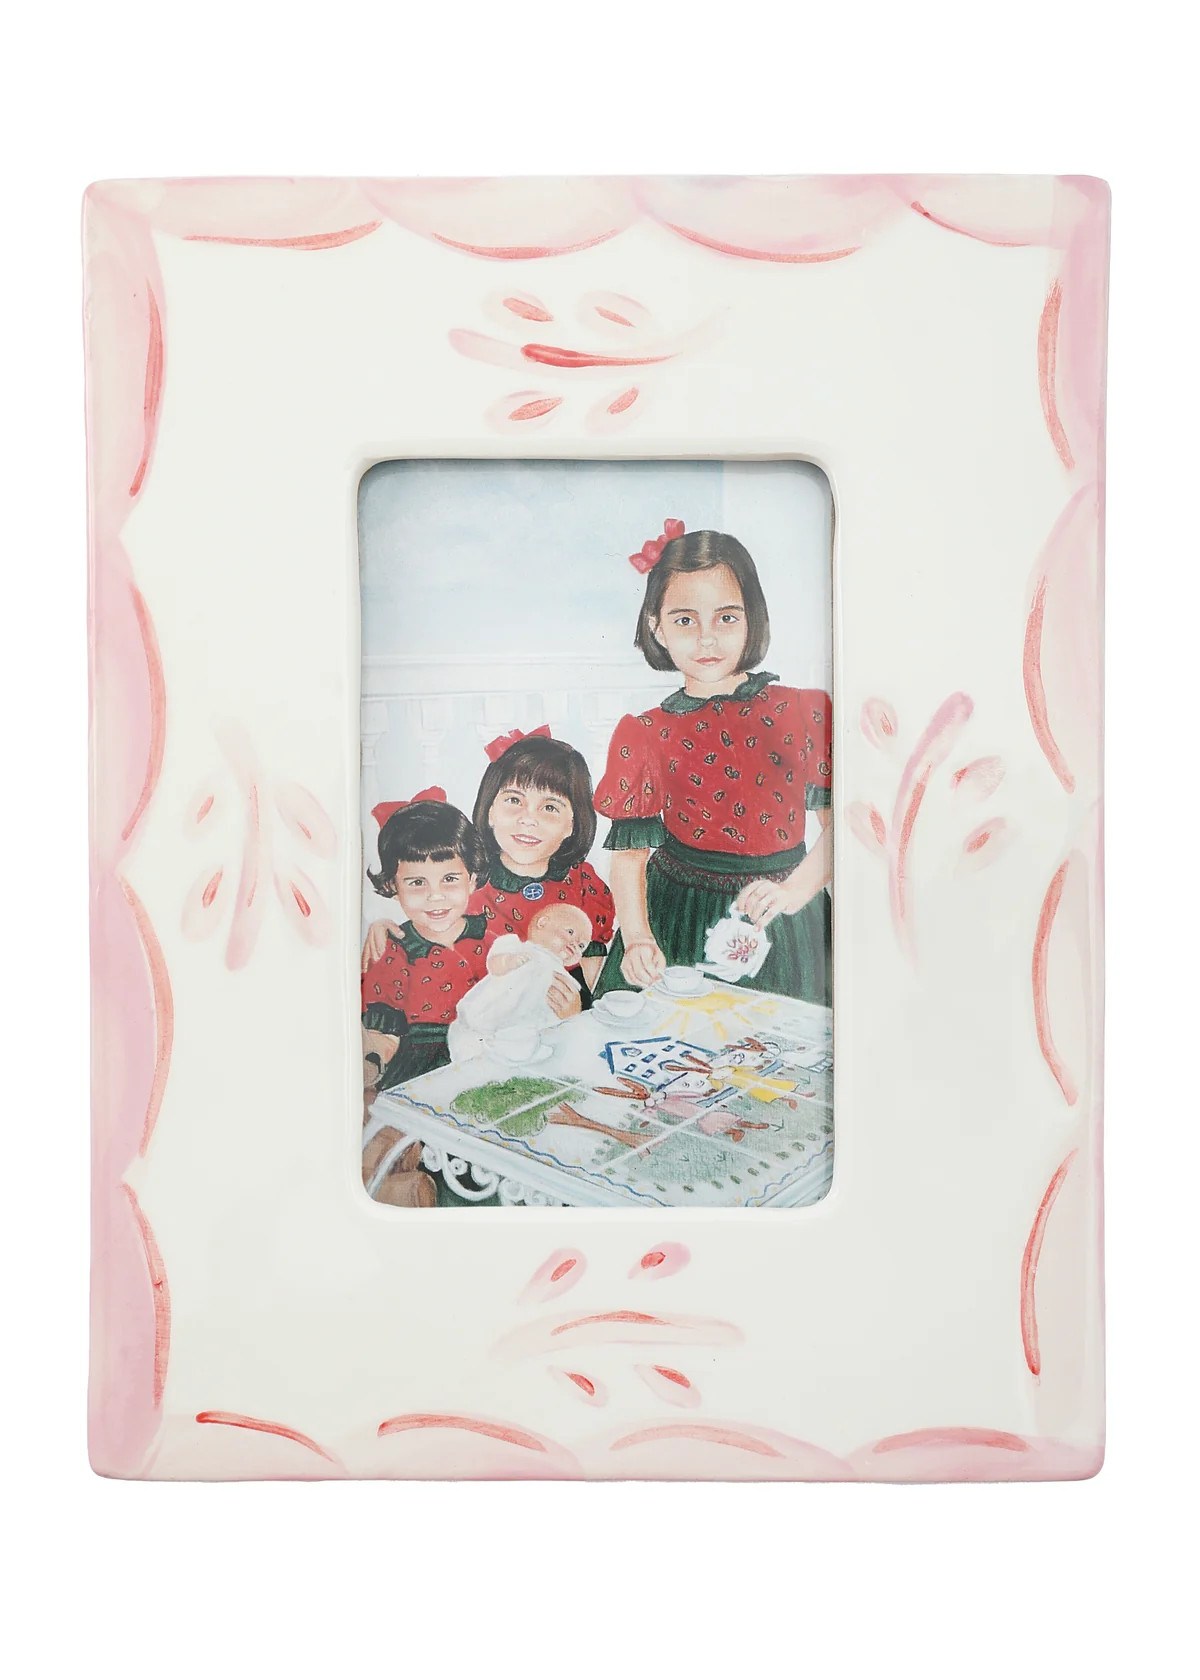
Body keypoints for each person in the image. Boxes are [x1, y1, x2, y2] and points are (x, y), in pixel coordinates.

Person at [592, 524, 832, 1005]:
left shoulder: (804, 711)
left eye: (726, 618)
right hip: (678, 914)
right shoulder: (645, 731)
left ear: (752, 620)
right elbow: (630, 857)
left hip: (782, 911)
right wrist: (637, 937)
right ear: (657, 627)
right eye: (685, 620)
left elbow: (837, 831)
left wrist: (793, 893)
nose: (706, 638)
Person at [362, 730, 615, 1001]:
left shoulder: (582, 882)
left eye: (550, 808)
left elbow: (592, 972)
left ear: (572, 824)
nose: (528, 819)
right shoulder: (469, 878)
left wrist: (577, 1007)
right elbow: (430, 918)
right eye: (514, 800)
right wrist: (386, 928)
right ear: (491, 810)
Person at [360, 791, 576, 1091]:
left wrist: (565, 1012)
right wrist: (370, 1062)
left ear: (472, 880)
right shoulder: (393, 950)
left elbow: (525, 995)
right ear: (392, 887)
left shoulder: (491, 939)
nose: (435, 896)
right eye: (417, 883)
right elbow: (384, 1036)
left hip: (492, 1054)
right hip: (424, 1069)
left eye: (449, 879)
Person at [447, 902, 593, 1063]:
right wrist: (508, 961)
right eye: (570, 932)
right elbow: (494, 965)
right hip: (484, 1021)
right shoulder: (515, 946)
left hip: (520, 1034)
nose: (574, 945)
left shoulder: (563, 977)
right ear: (543, 923)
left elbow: (566, 1010)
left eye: (581, 946)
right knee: (471, 1048)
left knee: (523, 1046)